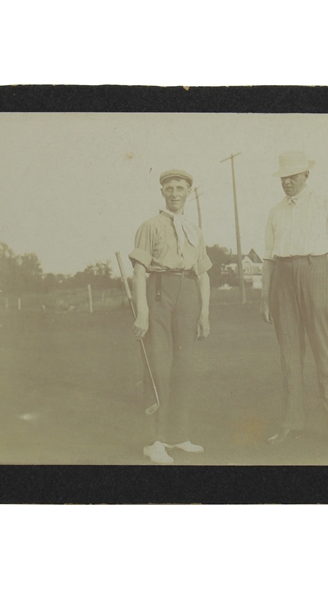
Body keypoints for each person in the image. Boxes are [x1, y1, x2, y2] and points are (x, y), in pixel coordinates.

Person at [260, 151, 328, 447]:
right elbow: (269, 259)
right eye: (283, 178)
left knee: (324, 353)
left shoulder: (325, 203)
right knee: (290, 357)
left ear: (306, 176)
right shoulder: (276, 211)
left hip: (317, 275)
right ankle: (291, 423)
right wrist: (265, 297)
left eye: (293, 177)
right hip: (283, 281)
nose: (287, 182)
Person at [129, 169, 212, 463]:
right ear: (162, 192)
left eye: (180, 188)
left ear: (188, 192)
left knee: (184, 366)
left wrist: (204, 313)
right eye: (169, 188)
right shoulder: (149, 226)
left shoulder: (195, 231)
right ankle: (155, 440)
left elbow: (203, 275)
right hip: (160, 292)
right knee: (158, 365)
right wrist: (143, 311)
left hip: (188, 293)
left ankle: (178, 435)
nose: (175, 193)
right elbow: (139, 272)